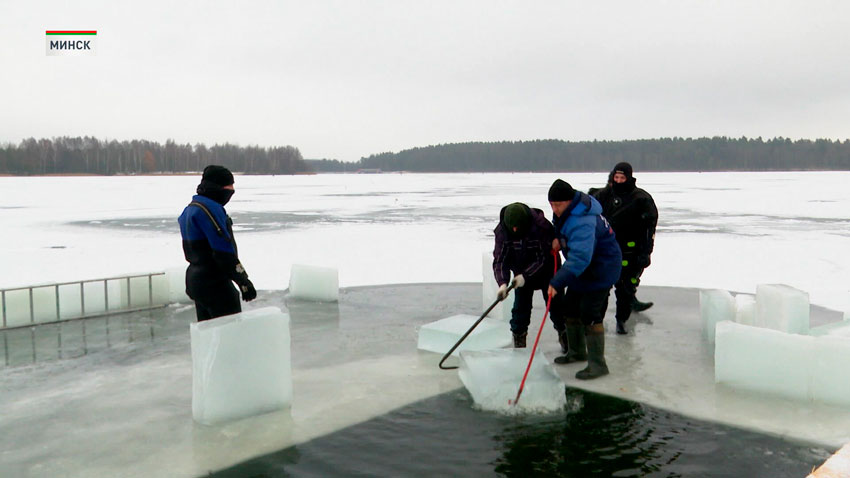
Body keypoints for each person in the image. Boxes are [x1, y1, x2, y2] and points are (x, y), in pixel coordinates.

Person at [547, 179, 621, 380]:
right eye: (552, 205)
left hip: (601, 268)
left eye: (559, 205)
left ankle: (598, 365)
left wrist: (557, 282)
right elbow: (565, 232)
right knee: (570, 306)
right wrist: (559, 240)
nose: (555, 209)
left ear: (570, 201)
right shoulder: (569, 212)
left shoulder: (583, 220)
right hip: (584, 268)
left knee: (589, 312)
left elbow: (580, 257)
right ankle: (577, 352)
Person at [178, 165, 257, 321]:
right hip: (214, 283)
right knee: (229, 332)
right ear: (217, 186)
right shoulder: (210, 210)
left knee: (208, 334)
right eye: (229, 186)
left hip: (196, 280)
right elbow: (223, 251)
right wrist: (243, 281)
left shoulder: (190, 209)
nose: (232, 190)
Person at [590, 162, 658, 335]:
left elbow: (649, 229)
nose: (619, 181)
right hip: (606, 251)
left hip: (631, 252)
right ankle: (596, 321)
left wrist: (646, 253)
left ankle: (622, 320)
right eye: (616, 177)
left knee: (626, 289)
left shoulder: (641, 199)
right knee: (602, 288)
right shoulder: (603, 195)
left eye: (622, 178)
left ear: (629, 178)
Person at [493, 202, 567, 351]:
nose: (515, 231)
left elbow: (543, 258)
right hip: (520, 272)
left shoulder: (541, 227)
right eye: (512, 229)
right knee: (520, 309)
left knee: (556, 307)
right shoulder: (502, 231)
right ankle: (519, 342)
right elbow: (500, 259)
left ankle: (566, 337)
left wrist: (524, 276)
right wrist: (502, 283)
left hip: (547, 271)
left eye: (518, 229)